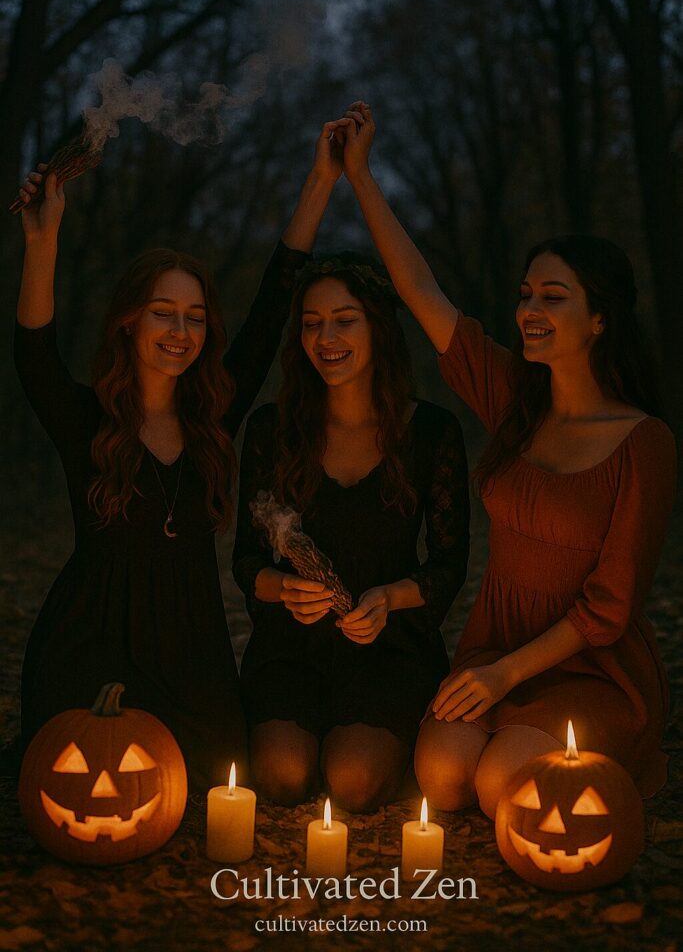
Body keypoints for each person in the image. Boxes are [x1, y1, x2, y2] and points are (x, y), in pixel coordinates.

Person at [338, 100, 677, 817]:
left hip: (587, 663)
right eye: (525, 294)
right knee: (443, 779)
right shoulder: (513, 406)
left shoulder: (643, 442)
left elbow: (609, 609)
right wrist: (360, 176)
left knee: (503, 788)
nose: (529, 309)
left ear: (599, 320)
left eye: (552, 297)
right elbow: (418, 292)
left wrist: (504, 678)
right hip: (495, 642)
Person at [14, 118, 350, 789]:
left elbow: (273, 302)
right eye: (163, 312)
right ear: (129, 320)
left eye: (195, 316)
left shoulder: (213, 415)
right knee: (90, 776)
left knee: (212, 783)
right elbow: (34, 350)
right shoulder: (86, 420)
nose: (180, 329)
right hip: (90, 641)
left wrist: (321, 179)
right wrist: (44, 239)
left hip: (190, 650)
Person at [232, 249, 470, 813]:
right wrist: (282, 588)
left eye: (344, 319)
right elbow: (245, 559)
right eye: (311, 323)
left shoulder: (432, 431)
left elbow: (448, 564)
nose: (325, 337)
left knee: (355, 783)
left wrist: (389, 599)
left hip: (387, 647)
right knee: (283, 778)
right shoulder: (271, 429)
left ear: (379, 327)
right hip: (292, 646)